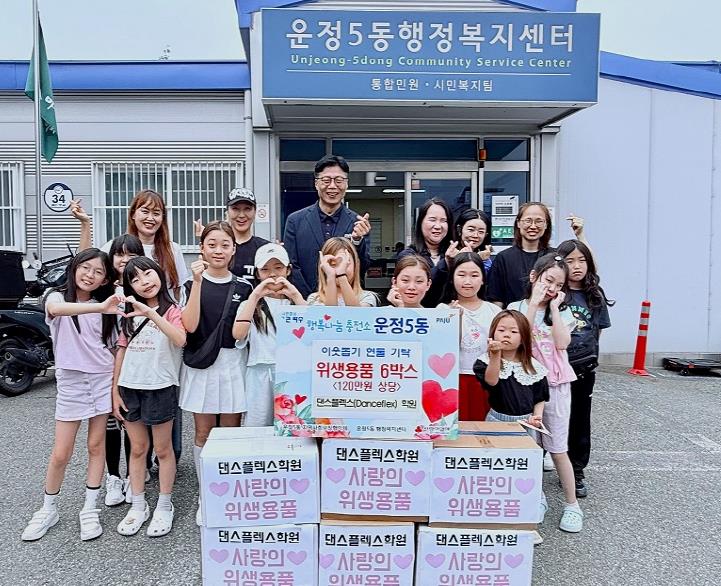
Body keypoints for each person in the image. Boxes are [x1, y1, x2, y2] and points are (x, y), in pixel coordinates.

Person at [21, 250, 123, 542]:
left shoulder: (107, 307)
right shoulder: (56, 296)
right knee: (61, 452)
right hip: (71, 382)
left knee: (96, 445)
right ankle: (48, 508)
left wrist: (116, 386)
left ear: (105, 279)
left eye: (98, 272)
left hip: (102, 378)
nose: (90, 275)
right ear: (74, 267)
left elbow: (113, 348)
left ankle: (89, 508)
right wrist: (101, 307)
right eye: (85, 268)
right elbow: (57, 310)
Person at [179, 221, 252, 525]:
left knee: (231, 433)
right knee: (203, 432)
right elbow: (189, 325)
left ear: (234, 249)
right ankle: (206, 494)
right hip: (202, 365)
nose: (218, 250)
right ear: (202, 248)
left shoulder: (245, 287)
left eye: (225, 245)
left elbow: (246, 332)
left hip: (233, 363)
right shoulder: (189, 284)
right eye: (212, 244)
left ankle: (229, 491)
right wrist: (197, 282)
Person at [508, 254, 583, 533]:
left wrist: (553, 307)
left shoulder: (563, 312)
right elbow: (520, 340)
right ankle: (536, 498)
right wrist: (533, 305)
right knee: (529, 447)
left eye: (558, 285)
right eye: (548, 280)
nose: (552, 288)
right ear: (533, 277)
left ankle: (572, 505)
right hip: (524, 386)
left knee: (558, 448)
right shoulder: (516, 308)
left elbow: (562, 343)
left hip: (556, 385)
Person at [112, 257, 186, 537]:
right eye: (135, 279)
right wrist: (115, 391)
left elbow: (180, 339)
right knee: (137, 449)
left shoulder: (173, 310)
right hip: (130, 387)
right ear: (129, 287)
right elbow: (121, 351)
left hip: (161, 386)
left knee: (163, 450)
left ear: (159, 274)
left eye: (148, 273)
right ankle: (138, 505)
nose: (144, 282)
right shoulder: (127, 315)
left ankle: (165, 505)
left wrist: (150, 313)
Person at [557, 239, 613, 498]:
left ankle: (576, 470)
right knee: (551, 417)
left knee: (579, 419)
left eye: (582, 260)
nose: (576, 266)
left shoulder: (594, 294)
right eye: (570, 261)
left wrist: (589, 359)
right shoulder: (555, 292)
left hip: (583, 368)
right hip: (555, 367)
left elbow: (597, 331)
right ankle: (545, 462)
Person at [233, 244, 306, 427]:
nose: (272, 274)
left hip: (292, 372)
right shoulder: (249, 305)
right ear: (257, 274)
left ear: (288, 270)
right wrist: (255, 296)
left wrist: (296, 295)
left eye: (278, 268)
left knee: (291, 426)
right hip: (259, 371)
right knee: (257, 425)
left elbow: (313, 331)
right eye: (265, 269)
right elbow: (238, 334)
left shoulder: (297, 303)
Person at [74, 190, 190, 303]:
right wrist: (85, 223)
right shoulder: (117, 246)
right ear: (133, 214)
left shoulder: (172, 249)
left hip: (164, 313)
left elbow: (178, 288)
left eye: (156, 213)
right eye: (145, 211)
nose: (150, 218)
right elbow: (86, 260)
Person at [283, 155, 371, 298]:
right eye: (326, 180)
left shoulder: (357, 223)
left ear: (346, 184)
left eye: (339, 180)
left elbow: (363, 267)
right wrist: (312, 299)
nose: (332, 186)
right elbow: (292, 266)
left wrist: (357, 241)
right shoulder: (295, 221)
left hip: (345, 301)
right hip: (306, 301)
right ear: (316, 183)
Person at [103, 234, 145, 507]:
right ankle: (113, 476)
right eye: (120, 254)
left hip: (134, 367)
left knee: (131, 422)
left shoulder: (142, 289)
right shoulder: (103, 289)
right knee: (110, 423)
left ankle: (133, 475)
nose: (125, 259)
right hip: (104, 365)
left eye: (132, 255)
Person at [438, 252, 501, 421]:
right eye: (461, 275)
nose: (467, 281)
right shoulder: (443, 310)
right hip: (453, 379)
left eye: (474, 275)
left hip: (485, 379)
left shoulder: (494, 311)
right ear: (452, 278)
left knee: (481, 425)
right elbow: (447, 347)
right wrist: (455, 319)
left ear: (483, 279)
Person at [193, 187, 269, 283]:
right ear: (227, 212)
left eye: (247, 209)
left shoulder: (265, 248)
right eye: (235, 209)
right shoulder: (215, 250)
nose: (241, 215)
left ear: (255, 212)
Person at [398, 198, 453, 307]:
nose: (438, 226)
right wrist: (446, 263)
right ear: (421, 222)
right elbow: (423, 286)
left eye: (443, 221)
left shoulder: (454, 253)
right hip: (419, 314)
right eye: (432, 220)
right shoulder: (409, 255)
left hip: (451, 314)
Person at [308, 237, 378, 307]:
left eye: (345, 263)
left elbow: (356, 313)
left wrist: (341, 275)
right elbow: (330, 313)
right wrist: (331, 276)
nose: (340, 268)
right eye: (333, 264)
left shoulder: (367, 297)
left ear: (355, 265)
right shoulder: (315, 299)